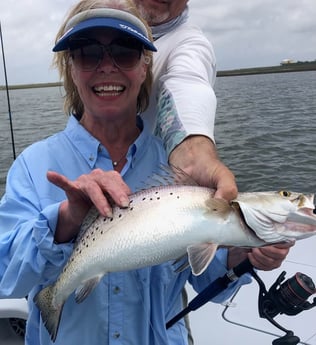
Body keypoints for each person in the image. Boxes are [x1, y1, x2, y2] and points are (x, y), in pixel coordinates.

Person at [0, 1, 292, 344]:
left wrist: (241, 257)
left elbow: (207, 282)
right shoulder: (35, 167)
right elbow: (7, 276)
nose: (106, 67)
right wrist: (65, 219)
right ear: (71, 68)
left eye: (124, 51)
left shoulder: (177, 170)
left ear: (144, 67)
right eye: (88, 52)